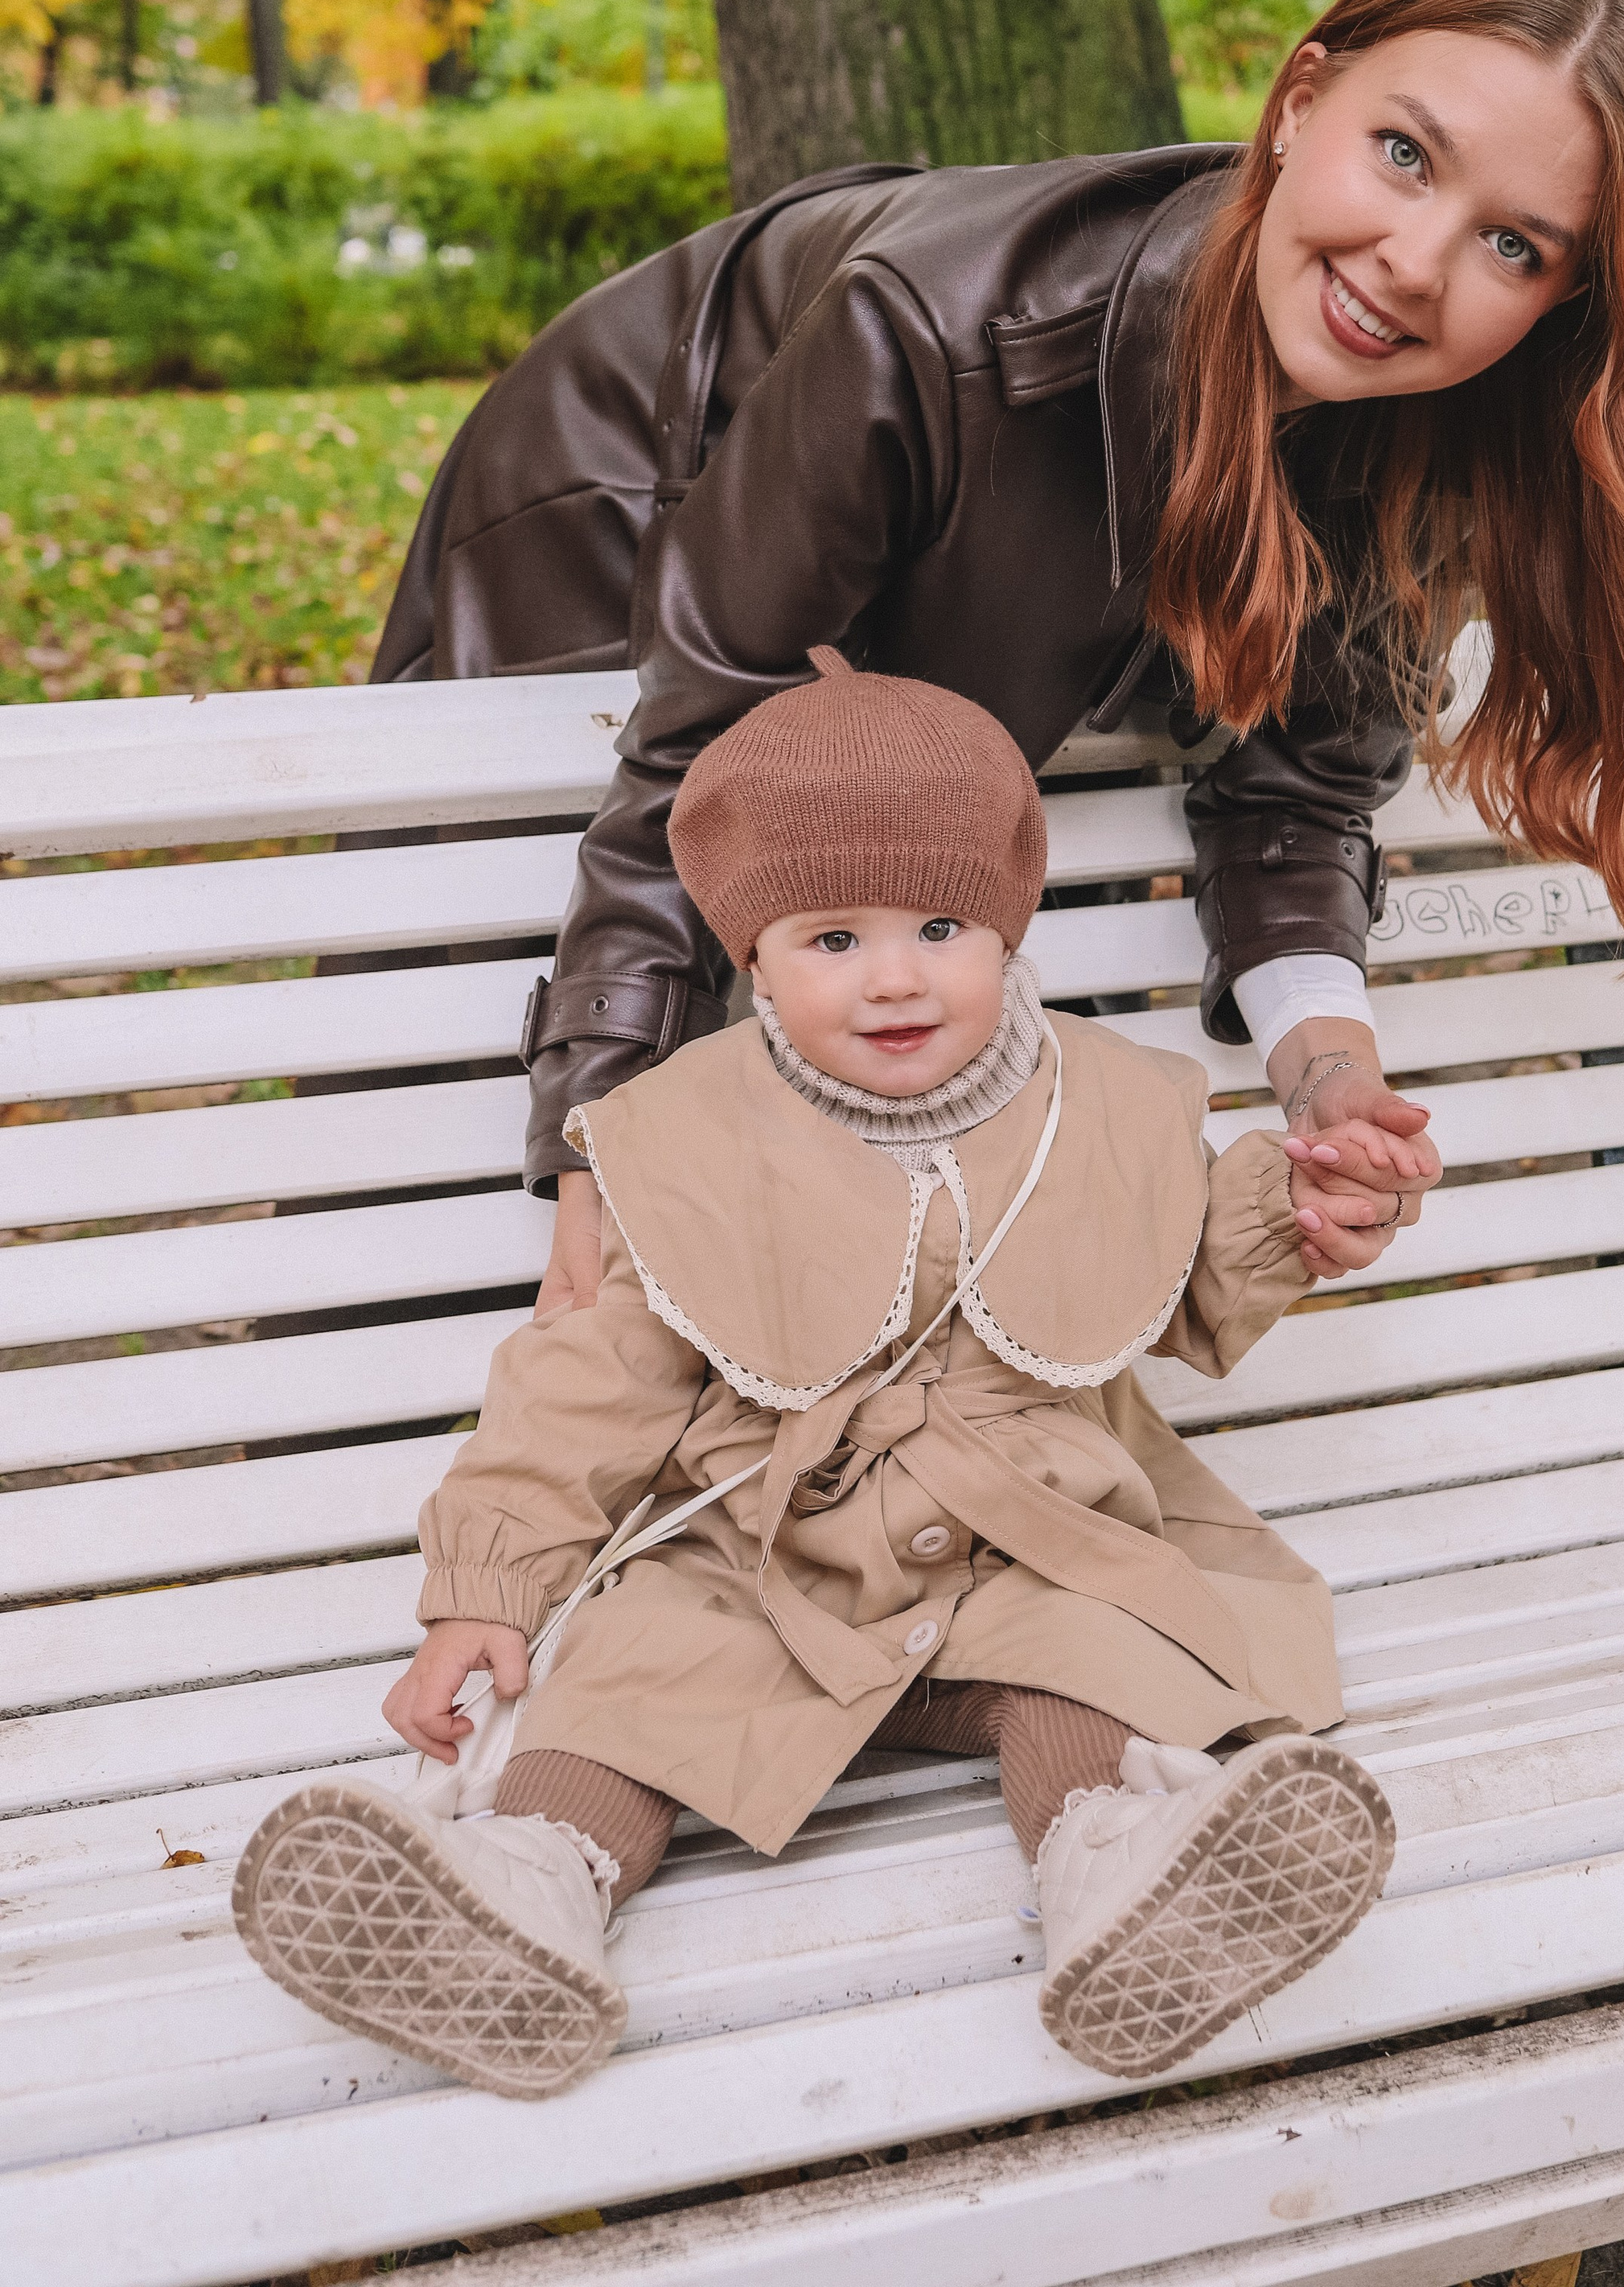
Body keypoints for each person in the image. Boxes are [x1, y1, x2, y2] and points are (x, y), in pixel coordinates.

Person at [370, 0, 1624, 1317]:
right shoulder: (933, 328)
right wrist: (608, 1135)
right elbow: (700, 747)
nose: (1415, 261)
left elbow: (1297, 799)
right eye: (1404, 153)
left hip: (880, 662)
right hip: (612, 508)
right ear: (1299, 103)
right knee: (461, 1082)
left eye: (1511, 243)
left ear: (1565, 299)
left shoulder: (1432, 437)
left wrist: (1330, 1079)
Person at [233, 658, 1398, 2100]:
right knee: (633, 1672)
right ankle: (521, 1890)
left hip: (1033, 1541)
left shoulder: (1108, 1100)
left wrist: (1299, 1210)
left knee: (1100, 1659)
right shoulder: (687, 1131)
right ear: (756, 954)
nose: (895, 975)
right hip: (762, 1550)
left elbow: (1179, 1281)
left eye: (941, 926)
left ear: (1009, 923)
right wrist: (488, 1583)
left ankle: (1127, 1872)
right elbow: (590, 1380)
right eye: (833, 936)